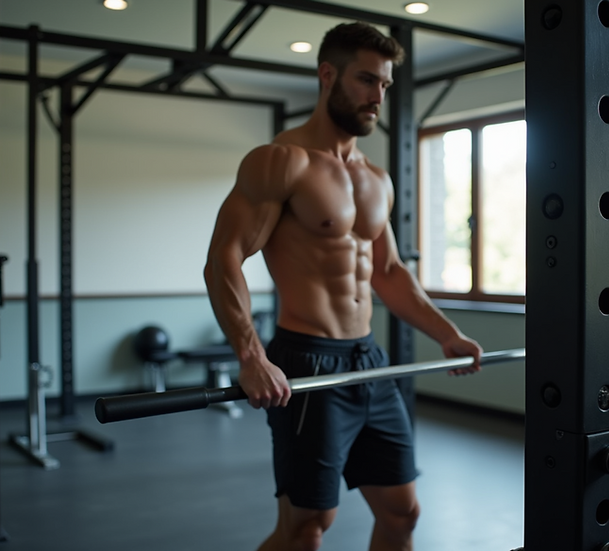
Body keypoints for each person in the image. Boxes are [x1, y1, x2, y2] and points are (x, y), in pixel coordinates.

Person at [203, 21, 483, 551]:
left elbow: (389, 273)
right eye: (365, 80)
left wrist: (446, 333)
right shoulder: (281, 162)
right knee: (307, 527)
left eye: (384, 84)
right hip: (308, 362)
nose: (377, 95)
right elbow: (224, 259)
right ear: (327, 75)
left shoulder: (376, 177)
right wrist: (252, 355)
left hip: (369, 362)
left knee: (402, 513)